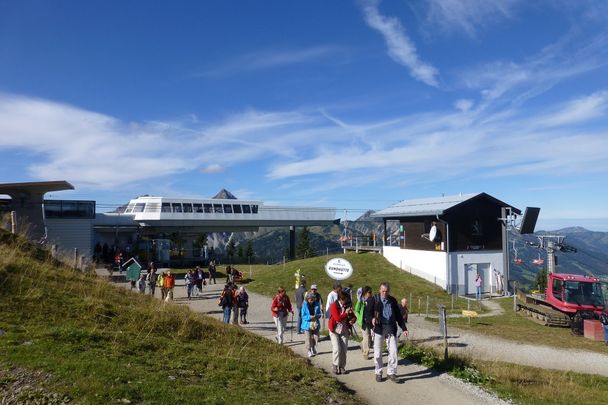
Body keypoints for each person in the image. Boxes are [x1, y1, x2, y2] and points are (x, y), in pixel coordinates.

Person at [367, 282, 407, 383]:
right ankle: (378, 372)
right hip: (379, 328)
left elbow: (398, 316)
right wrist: (371, 319)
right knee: (377, 352)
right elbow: (367, 314)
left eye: (386, 291)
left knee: (393, 351)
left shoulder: (393, 301)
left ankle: (391, 373)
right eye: (383, 291)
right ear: (380, 290)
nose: (384, 293)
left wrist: (404, 328)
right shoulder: (374, 300)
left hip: (391, 327)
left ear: (389, 291)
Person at [328, 291, 356, 375]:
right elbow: (337, 318)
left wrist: (352, 320)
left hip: (344, 330)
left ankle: (342, 366)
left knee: (344, 349)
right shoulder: (333, 306)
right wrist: (346, 313)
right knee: (337, 348)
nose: (346, 301)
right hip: (334, 330)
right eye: (345, 299)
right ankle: (335, 365)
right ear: (340, 299)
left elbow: (354, 317)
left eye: (347, 300)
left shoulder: (347, 306)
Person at [301, 292, 322, 357]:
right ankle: (309, 350)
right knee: (308, 338)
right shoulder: (304, 305)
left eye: (312, 299)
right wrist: (310, 317)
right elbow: (303, 315)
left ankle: (313, 347)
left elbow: (319, 314)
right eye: (310, 299)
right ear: (307, 299)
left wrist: (317, 316)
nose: (311, 301)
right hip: (307, 324)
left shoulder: (317, 304)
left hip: (315, 323)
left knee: (316, 337)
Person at [355, 286, 373, 359]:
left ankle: (362, 344)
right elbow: (356, 310)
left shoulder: (371, 300)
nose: (371, 293)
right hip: (363, 322)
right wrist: (359, 319)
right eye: (369, 292)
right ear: (365, 293)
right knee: (367, 336)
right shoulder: (361, 301)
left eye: (371, 292)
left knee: (369, 337)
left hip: (370, 321)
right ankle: (366, 353)